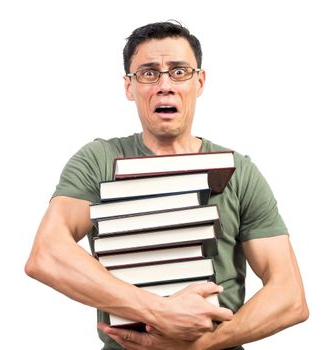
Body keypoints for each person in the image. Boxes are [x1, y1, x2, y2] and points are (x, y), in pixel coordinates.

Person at [25, 21, 308, 350]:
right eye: (148, 73)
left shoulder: (239, 171)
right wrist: (159, 312)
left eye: (178, 72)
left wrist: (196, 345)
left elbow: (290, 297)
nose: (164, 85)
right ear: (129, 87)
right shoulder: (98, 160)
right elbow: (46, 255)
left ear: (199, 81)